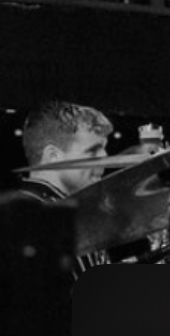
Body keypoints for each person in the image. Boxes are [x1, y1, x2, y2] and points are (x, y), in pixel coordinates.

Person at [15, 100, 117, 273]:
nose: (105, 159)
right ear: (53, 156)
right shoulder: (25, 221)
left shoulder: (77, 213)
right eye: (92, 151)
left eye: (104, 150)